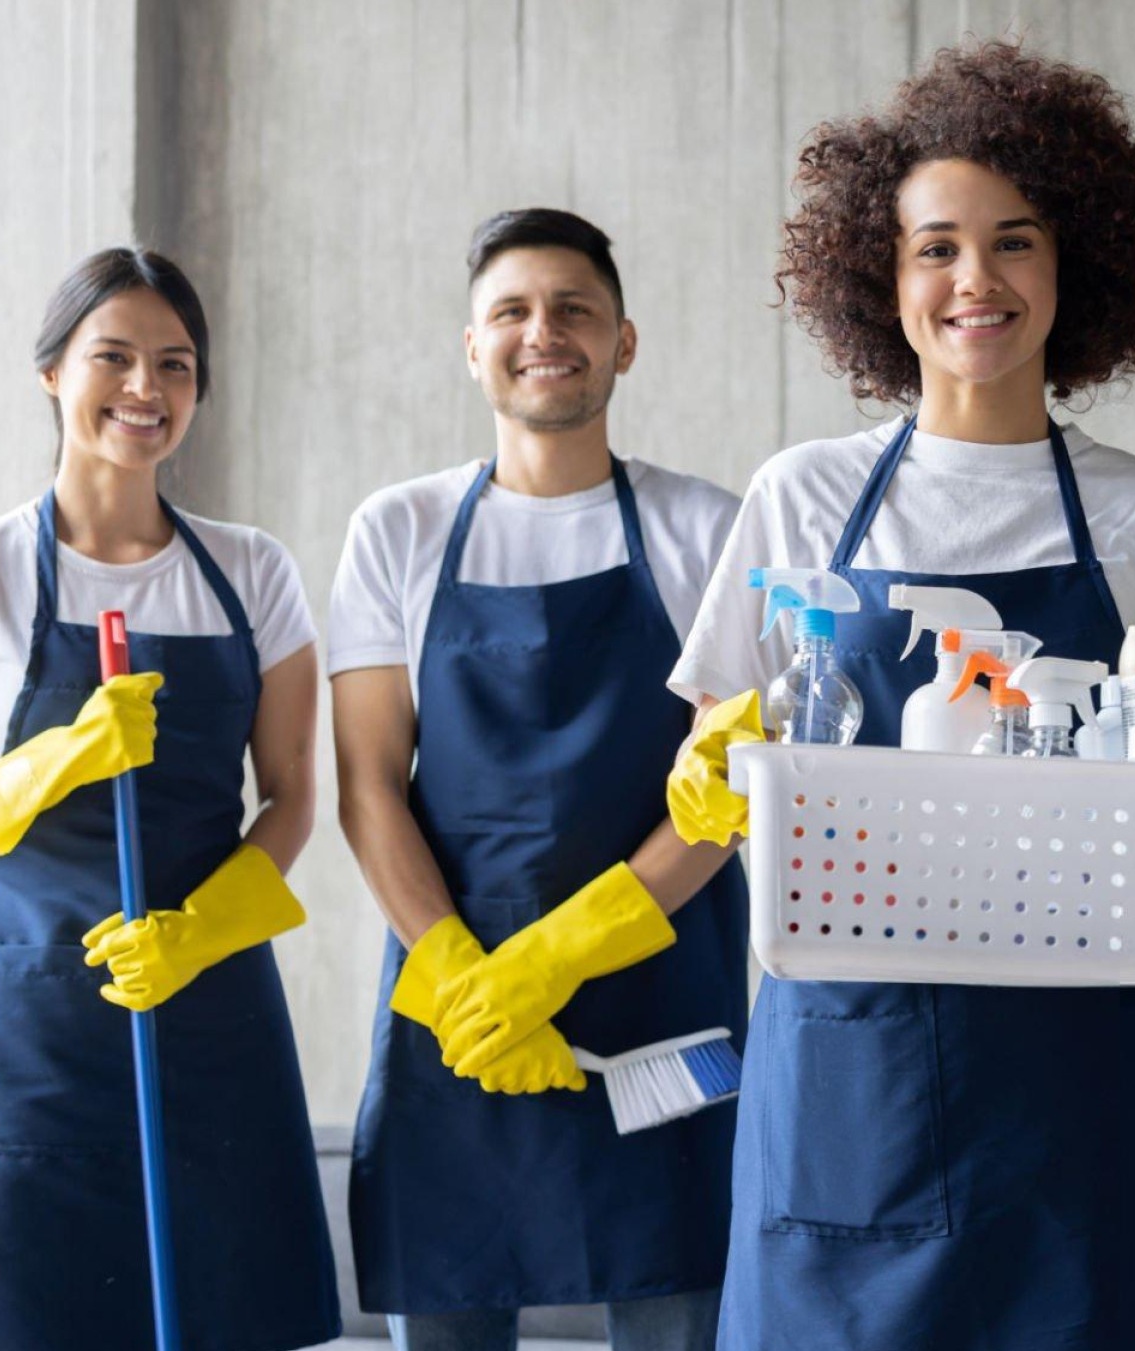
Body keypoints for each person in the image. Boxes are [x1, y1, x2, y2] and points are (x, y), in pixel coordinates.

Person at [658, 39, 1135, 1351]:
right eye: (935, 247)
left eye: (1015, 241)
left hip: (1089, 1079)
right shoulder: (802, 496)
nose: (976, 280)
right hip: (854, 1065)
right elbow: (721, 762)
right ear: (879, 275)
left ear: (1075, 265)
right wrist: (712, 775)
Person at [0, 247, 338, 1350]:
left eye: (175, 364)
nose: (146, 388)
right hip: (28, 1034)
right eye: (114, 357)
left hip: (212, 1018)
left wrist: (202, 931)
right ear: (52, 372)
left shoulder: (251, 572)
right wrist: (53, 760)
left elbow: (290, 799)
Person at [334, 209, 746, 1351]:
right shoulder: (399, 530)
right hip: (457, 1012)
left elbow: (725, 796)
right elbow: (368, 784)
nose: (542, 331)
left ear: (624, 342)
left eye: (574, 308)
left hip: (661, 997)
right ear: (473, 347)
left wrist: (560, 954)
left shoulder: (705, 529)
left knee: (679, 1306)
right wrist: (468, 975)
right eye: (511, 311)